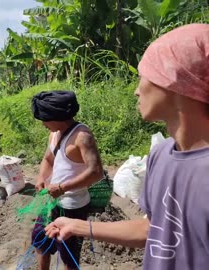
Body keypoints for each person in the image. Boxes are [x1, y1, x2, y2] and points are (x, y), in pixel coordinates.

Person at [44, 23, 209, 270]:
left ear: (177, 81)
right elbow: (153, 228)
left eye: (144, 76)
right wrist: (79, 226)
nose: (136, 91)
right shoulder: (160, 155)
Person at [31, 90, 104, 270]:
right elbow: (48, 159)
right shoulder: (54, 134)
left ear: (57, 116)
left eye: (44, 119)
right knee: (40, 240)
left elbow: (96, 172)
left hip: (73, 206)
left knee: (68, 253)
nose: (42, 124)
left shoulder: (82, 137)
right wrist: (42, 177)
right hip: (52, 201)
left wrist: (63, 188)